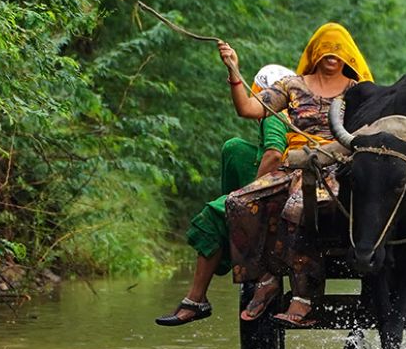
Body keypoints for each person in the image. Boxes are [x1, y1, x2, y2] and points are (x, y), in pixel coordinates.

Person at [220, 23, 373, 327]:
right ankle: (265, 279)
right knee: (237, 202)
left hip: (337, 167)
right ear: (315, 52)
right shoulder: (292, 85)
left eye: (338, 49)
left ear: (349, 57)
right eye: (326, 48)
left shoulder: (359, 92)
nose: (332, 54)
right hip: (294, 164)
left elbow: (369, 132)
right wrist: (234, 71)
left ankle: (305, 299)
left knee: (299, 208)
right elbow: (249, 109)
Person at [155, 64, 296, 326]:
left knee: (211, 215)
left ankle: (196, 299)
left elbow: (275, 154)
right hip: (297, 185)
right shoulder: (303, 110)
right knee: (234, 147)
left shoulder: (274, 113)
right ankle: (233, 225)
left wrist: (247, 197)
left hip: (281, 191)